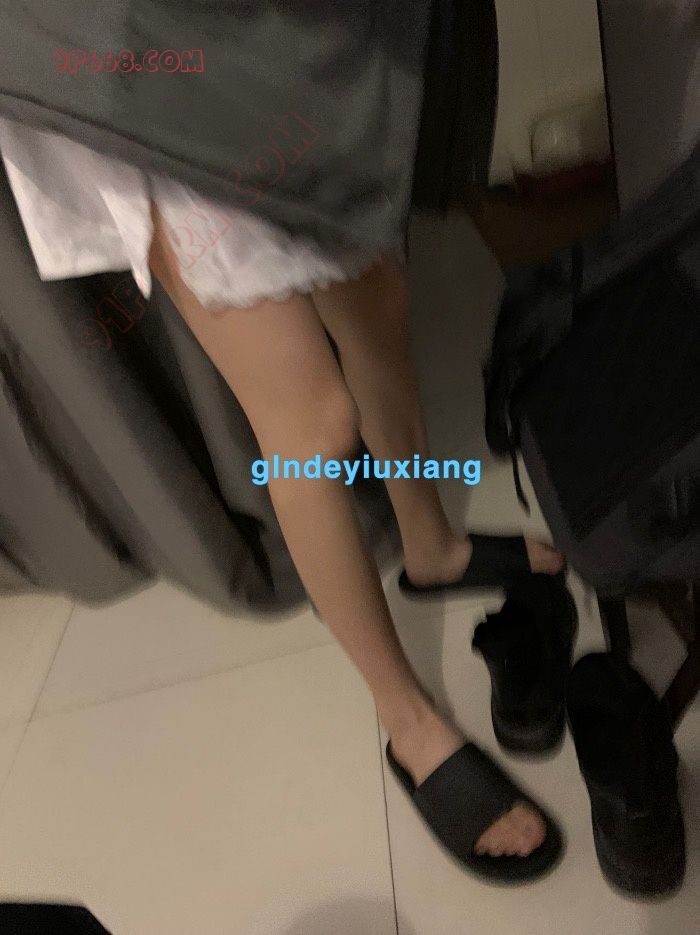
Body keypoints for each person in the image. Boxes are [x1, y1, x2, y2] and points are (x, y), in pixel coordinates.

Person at [0, 10, 565, 881]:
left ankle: (433, 547)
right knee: (310, 424)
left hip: (277, 42)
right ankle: (407, 721)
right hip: (131, 54)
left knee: (378, 309)